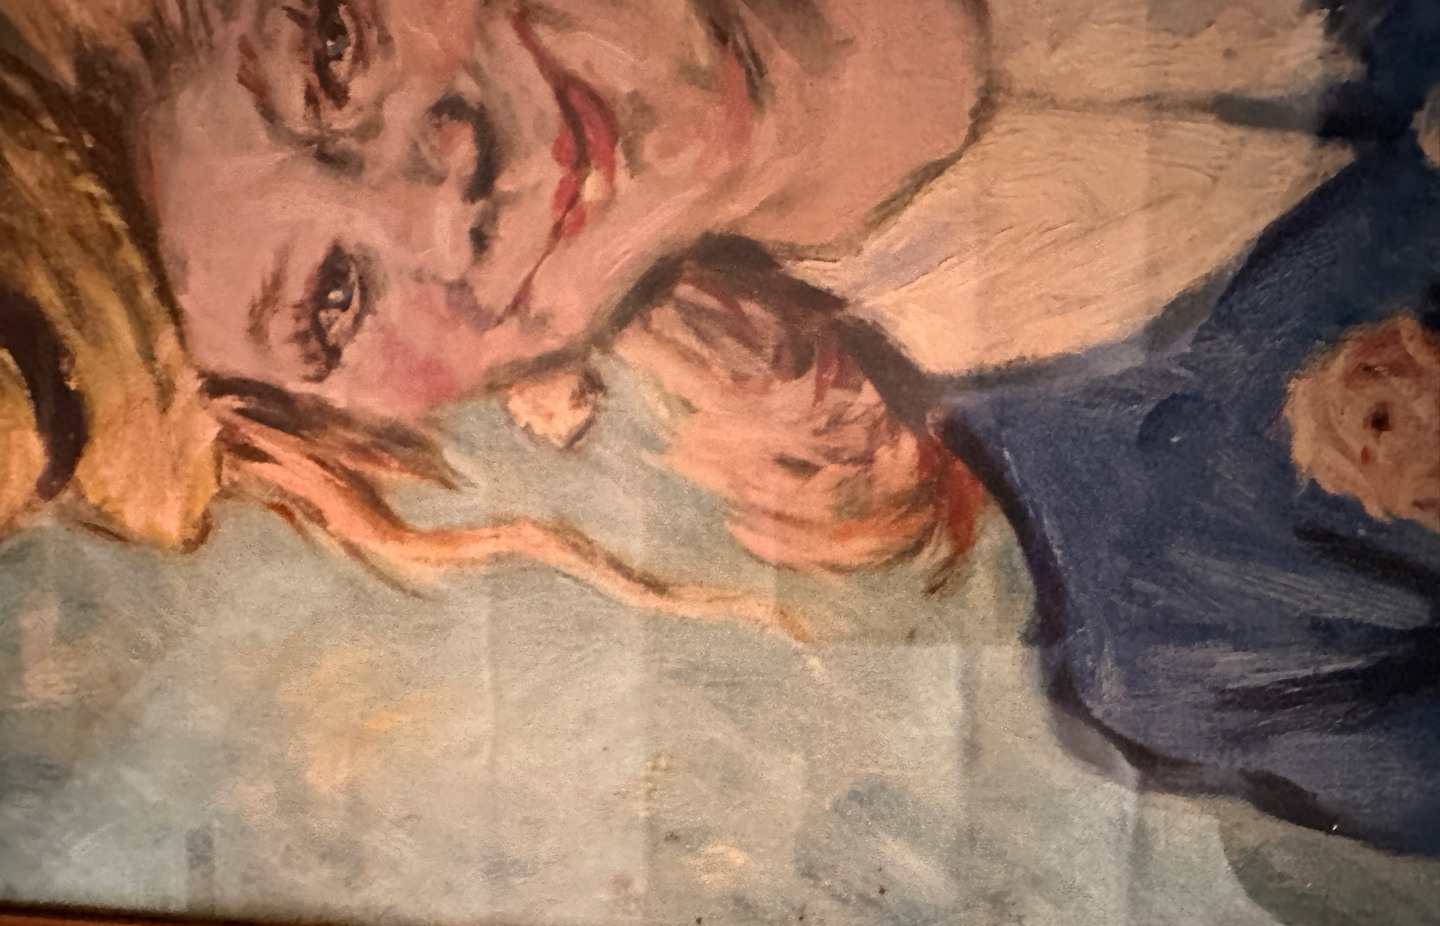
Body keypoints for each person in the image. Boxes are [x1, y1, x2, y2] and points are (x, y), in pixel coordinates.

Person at [1, 0, 1435, 849]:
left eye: (329, 47)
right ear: (371, 421)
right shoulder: (1199, 625)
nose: (439, 183)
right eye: (330, 300)